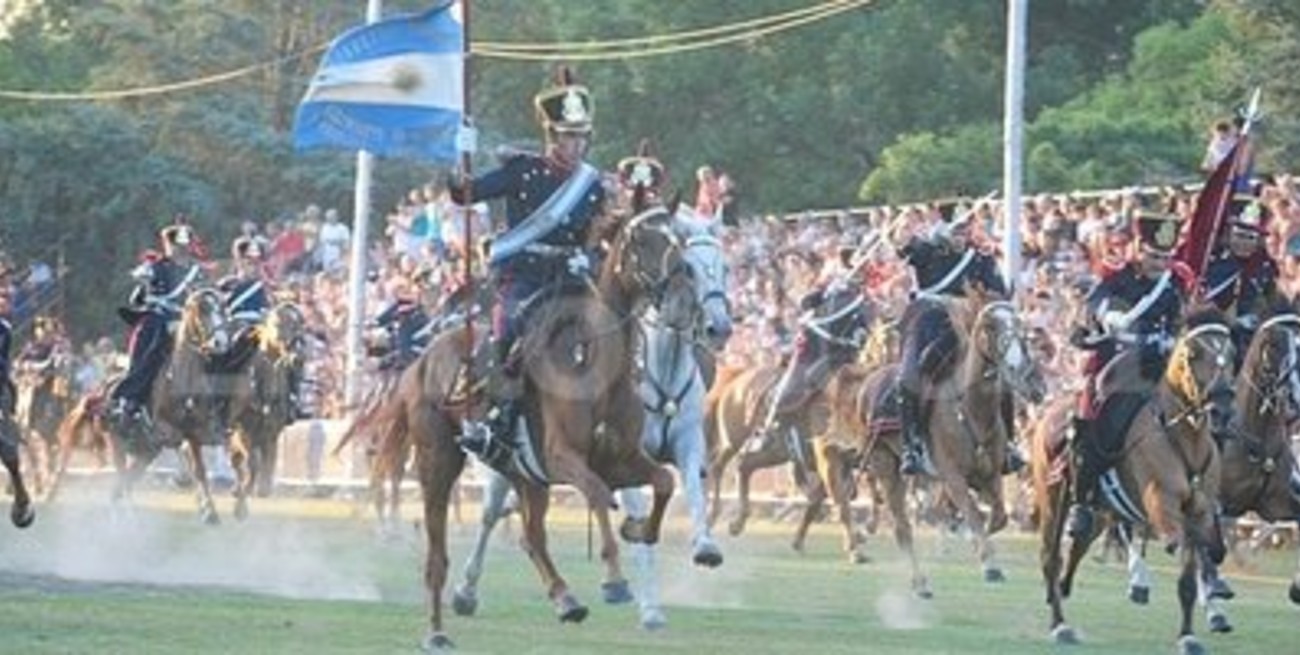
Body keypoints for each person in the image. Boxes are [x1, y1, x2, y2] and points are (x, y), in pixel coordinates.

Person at [451, 66, 607, 470]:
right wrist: (460, 157)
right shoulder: (522, 171)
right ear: (552, 136)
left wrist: (589, 258)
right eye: (569, 136)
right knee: (509, 330)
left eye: (582, 137)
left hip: (570, 279)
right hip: (524, 275)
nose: (577, 145)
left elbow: (598, 235)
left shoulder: (591, 184)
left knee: (615, 327)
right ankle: (496, 420)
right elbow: (466, 194)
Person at [1065, 211, 1186, 539]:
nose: (1159, 264)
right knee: (1096, 424)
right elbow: (1097, 303)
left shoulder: (1173, 283)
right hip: (1120, 366)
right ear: (1138, 249)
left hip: (1162, 364)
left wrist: (1174, 338)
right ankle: (1082, 501)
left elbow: (1180, 319)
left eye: (1165, 257)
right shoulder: (1116, 276)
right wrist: (1111, 316)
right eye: (1153, 256)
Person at [894, 202, 1014, 476]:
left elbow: (998, 292)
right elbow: (903, 247)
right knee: (906, 378)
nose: (961, 235)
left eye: (965, 229)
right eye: (956, 229)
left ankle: (1009, 444)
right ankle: (912, 446)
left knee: (1004, 376)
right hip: (928, 324)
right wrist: (912, 230)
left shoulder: (980, 259)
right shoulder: (928, 251)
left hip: (969, 326)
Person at [109, 223, 206, 425]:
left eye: (183, 245)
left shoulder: (197, 272)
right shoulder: (155, 268)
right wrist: (144, 286)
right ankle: (132, 400)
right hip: (160, 319)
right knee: (151, 342)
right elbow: (137, 301)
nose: (180, 249)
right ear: (167, 245)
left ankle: (219, 408)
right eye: (176, 245)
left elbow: (205, 299)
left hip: (188, 323)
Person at [1202, 194, 1282, 368]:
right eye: (1239, 236)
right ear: (1228, 235)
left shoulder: (1265, 266)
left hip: (1250, 335)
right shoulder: (1211, 262)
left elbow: (1272, 300)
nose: (1244, 243)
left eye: (1251, 238)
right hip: (1212, 333)